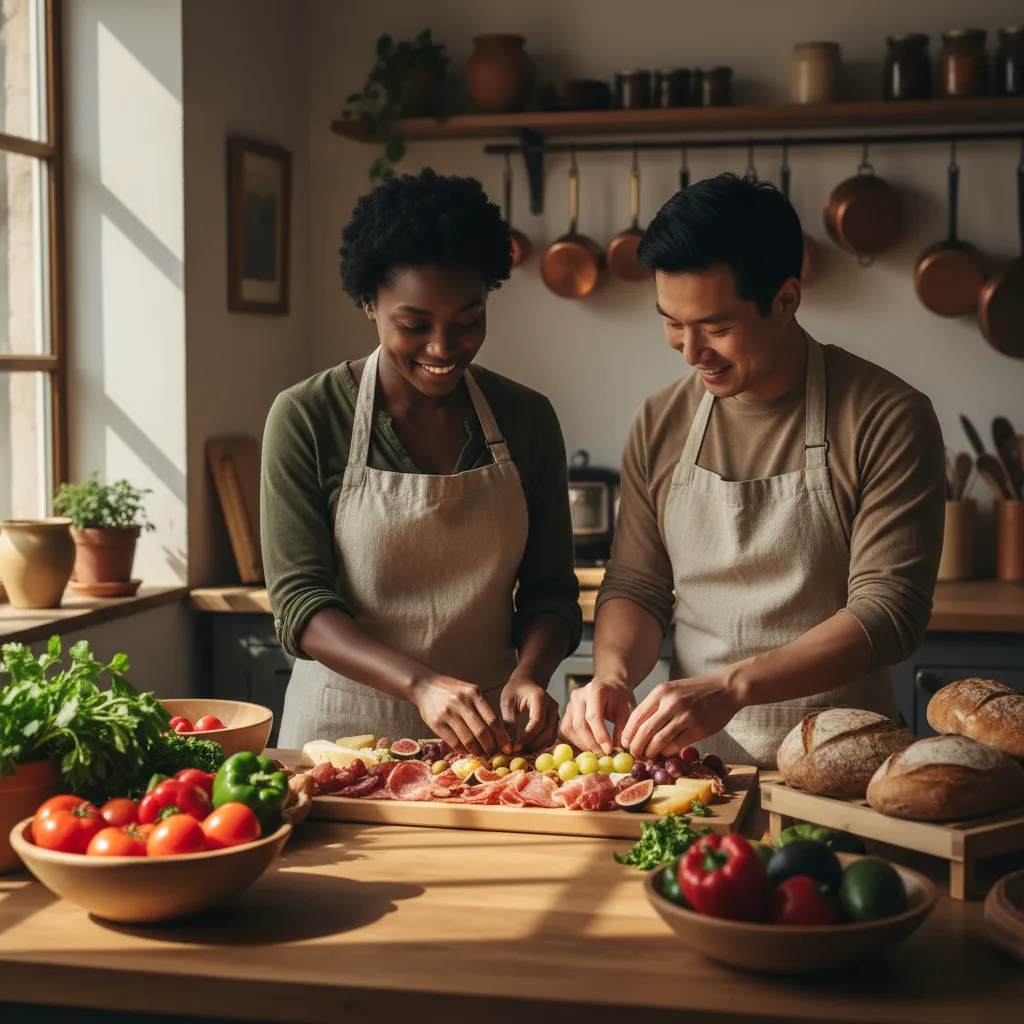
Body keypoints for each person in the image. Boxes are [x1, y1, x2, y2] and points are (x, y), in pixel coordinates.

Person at [559, 173, 945, 768]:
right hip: (690, 766)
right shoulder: (661, 420)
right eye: (671, 322)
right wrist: (610, 674)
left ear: (786, 300)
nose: (691, 353)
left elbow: (888, 612)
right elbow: (637, 584)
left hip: (840, 765)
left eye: (716, 328)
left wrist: (734, 686)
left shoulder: (886, 416)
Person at [264, 168, 581, 757]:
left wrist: (531, 672)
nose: (443, 348)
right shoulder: (307, 416)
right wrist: (421, 684)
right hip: (339, 735)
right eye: (413, 325)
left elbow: (551, 593)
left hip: (490, 738)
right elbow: (300, 606)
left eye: (468, 321)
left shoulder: (526, 418)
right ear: (368, 304)